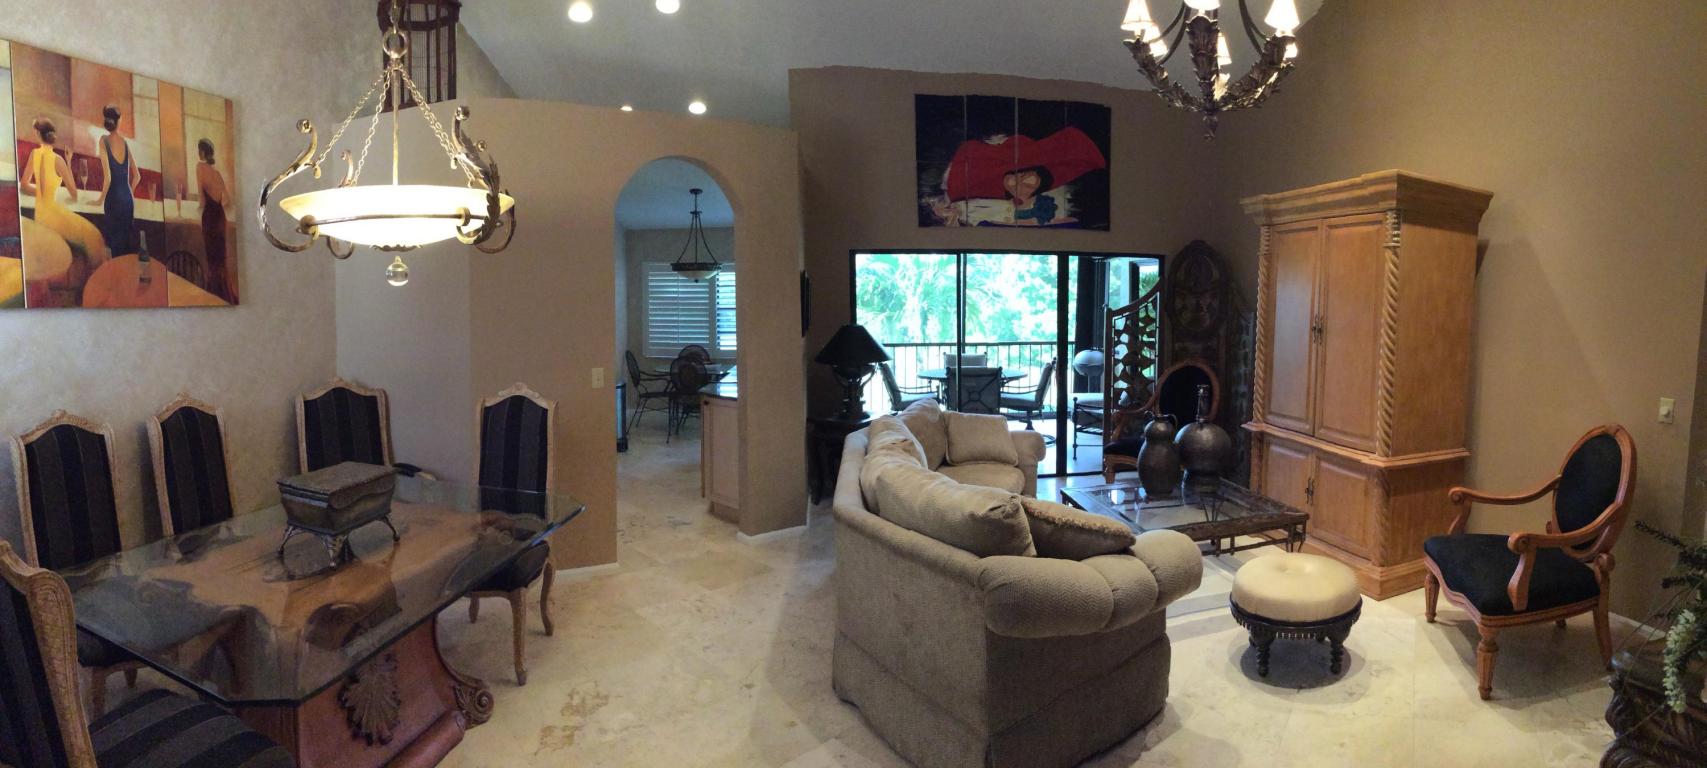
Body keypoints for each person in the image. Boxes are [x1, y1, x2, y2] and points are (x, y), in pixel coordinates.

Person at [18, 117, 108, 267]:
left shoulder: (34, 154)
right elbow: (74, 193)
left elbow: (24, 186)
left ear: (38, 135)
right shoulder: (58, 160)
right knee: (93, 236)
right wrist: (68, 162)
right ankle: (98, 274)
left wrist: (40, 192)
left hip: (40, 214)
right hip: (52, 216)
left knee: (90, 236)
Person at [94, 105, 140, 256]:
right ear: (118, 121)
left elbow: (108, 178)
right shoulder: (124, 142)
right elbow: (137, 176)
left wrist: (99, 200)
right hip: (127, 201)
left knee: (114, 248)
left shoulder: (103, 140)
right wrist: (130, 193)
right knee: (126, 248)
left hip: (113, 200)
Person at [196, 138, 231, 300]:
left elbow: (202, 200)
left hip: (210, 217)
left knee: (212, 259)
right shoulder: (216, 173)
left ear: (202, 152)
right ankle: (223, 293)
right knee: (220, 259)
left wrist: (200, 209)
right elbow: (227, 200)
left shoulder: (200, 167)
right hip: (220, 217)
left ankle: (213, 294)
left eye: (199, 150)